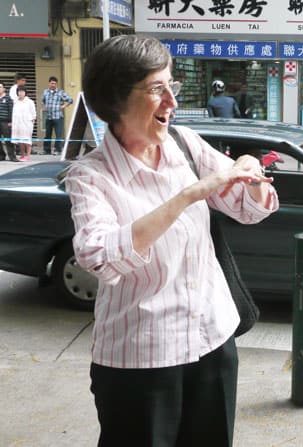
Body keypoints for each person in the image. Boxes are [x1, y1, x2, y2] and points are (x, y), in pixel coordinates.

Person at [63, 34, 279, 447]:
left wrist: (249, 175)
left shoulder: (186, 144)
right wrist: (187, 196)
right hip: (140, 358)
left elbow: (250, 209)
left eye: (172, 86)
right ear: (115, 100)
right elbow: (100, 257)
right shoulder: (90, 176)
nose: (172, 102)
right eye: (156, 89)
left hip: (212, 341)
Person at [41, 76, 73, 155]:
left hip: (58, 117)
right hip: (48, 117)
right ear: (49, 83)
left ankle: (57, 150)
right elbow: (42, 101)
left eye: (55, 83)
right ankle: (46, 150)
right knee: (47, 135)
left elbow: (70, 100)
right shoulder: (45, 92)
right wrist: (44, 107)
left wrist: (64, 106)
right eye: (52, 83)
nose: (53, 85)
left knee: (58, 135)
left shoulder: (60, 92)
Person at [11, 86, 35, 161]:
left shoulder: (30, 102)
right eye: (19, 91)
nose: (21, 93)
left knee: (27, 140)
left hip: (27, 124)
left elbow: (33, 114)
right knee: (20, 140)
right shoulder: (15, 101)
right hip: (18, 124)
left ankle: (28, 156)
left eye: (22, 91)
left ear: (25, 92)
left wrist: (31, 122)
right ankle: (22, 155)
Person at [0, 82, 18, 162]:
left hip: (5, 122)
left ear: (4, 89)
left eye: (0, 87)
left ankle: (12, 156)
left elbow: (11, 111)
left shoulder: (8, 98)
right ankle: (1, 155)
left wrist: (10, 121)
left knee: (8, 140)